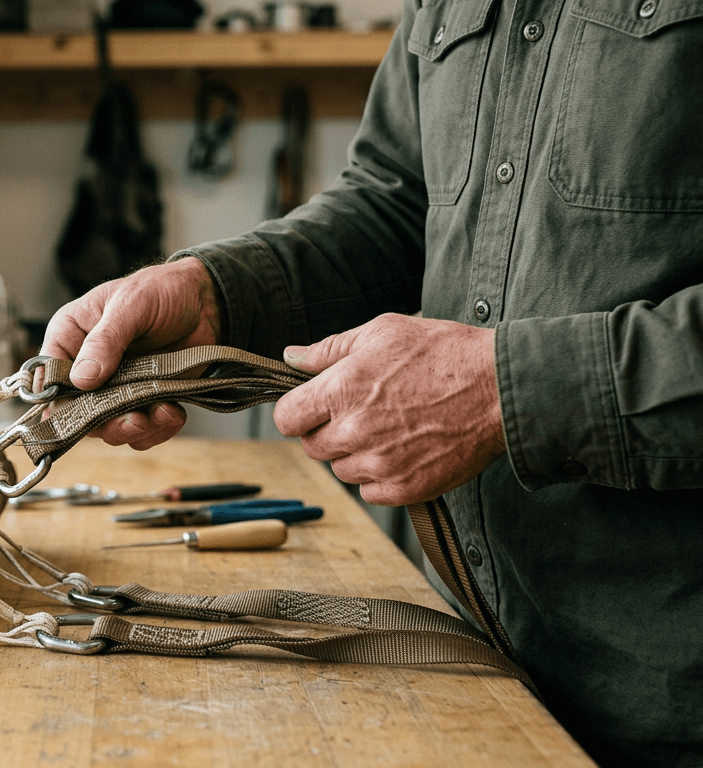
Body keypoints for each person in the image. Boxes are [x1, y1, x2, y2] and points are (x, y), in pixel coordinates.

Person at [39, 0, 703, 765]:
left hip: (671, 694)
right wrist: (215, 294)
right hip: (479, 657)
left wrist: (504, 389)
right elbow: (395, 204)